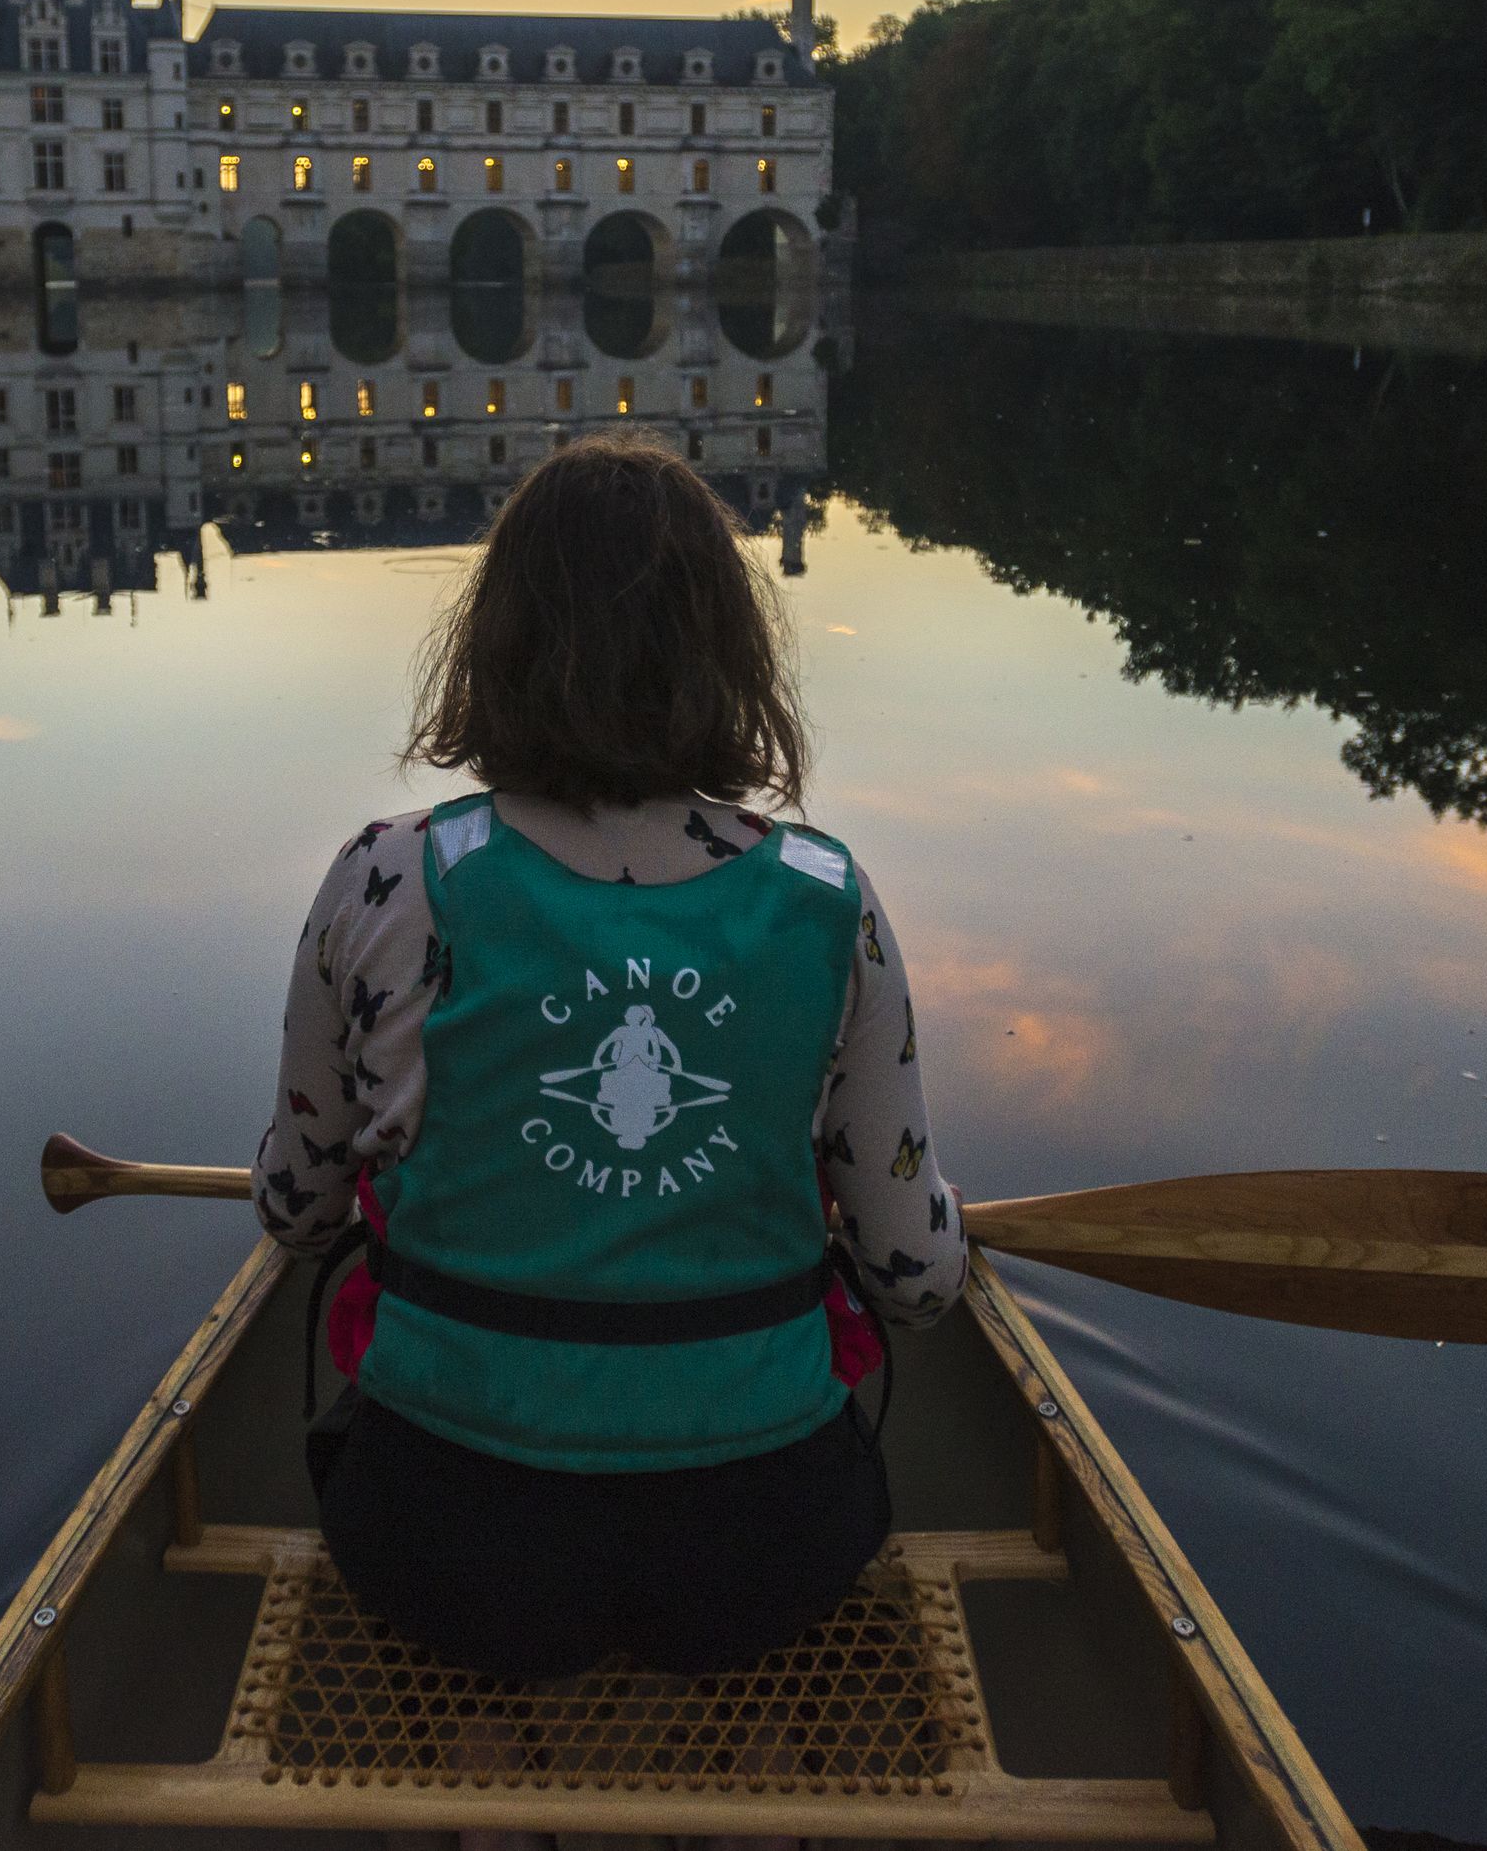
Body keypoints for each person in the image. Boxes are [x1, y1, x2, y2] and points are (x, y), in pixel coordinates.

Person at [254, 434, 964, 1687]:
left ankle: (480, 1742)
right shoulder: (827, 899)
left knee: (457, 1579)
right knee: (768, 1571)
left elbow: (298, 1214)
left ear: (497, 645)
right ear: (728, 658)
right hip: (763, 1545)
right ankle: (746, 1744)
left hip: (445, 1541)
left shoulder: (384, 875)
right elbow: (914, 1279)